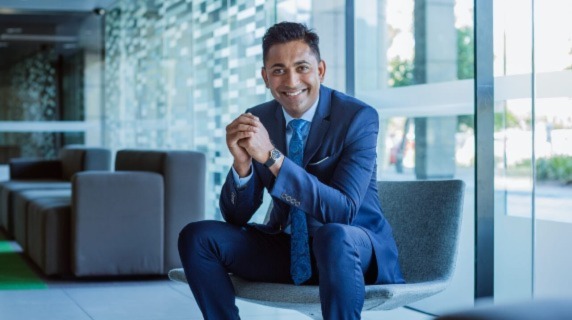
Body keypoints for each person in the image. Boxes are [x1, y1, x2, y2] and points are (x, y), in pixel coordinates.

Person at [178, 21, 404, 320]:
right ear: (265, 77)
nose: (291, 81)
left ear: (320, 70)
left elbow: (342, 211)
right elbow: (235, 217)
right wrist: (242, 164)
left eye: (302, 67)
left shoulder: (357, 118)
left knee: (333, 236)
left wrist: (272, 157)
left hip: (351, 249)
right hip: (289, 248)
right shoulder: (258, 118)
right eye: (278, 70)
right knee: (197, 236)